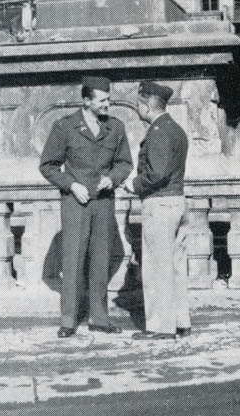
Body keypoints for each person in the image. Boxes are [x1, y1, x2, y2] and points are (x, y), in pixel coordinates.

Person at [40, 76, 132, 337]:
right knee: (73, 260)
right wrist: (71, 185)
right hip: (75, 203)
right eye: (102, 100)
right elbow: (48, 165)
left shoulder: (116, 127)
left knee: (101, 260)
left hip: (103, 203)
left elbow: (124, 163)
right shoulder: (65, 127)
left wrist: (111, 179)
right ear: (86, 100)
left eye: (108, 99)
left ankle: (99, 318)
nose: (107, 104)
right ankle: (68, 320)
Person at [124, 81, 191, 340]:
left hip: (159, 205)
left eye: (140, 103)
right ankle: (180, 321)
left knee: (156, 268)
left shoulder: (158, 132)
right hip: (177, 202)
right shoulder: (176, 130)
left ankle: (161, 327)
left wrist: (133, 184)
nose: (138, 108)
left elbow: (157, 173)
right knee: (176, 267)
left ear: (148, 105)